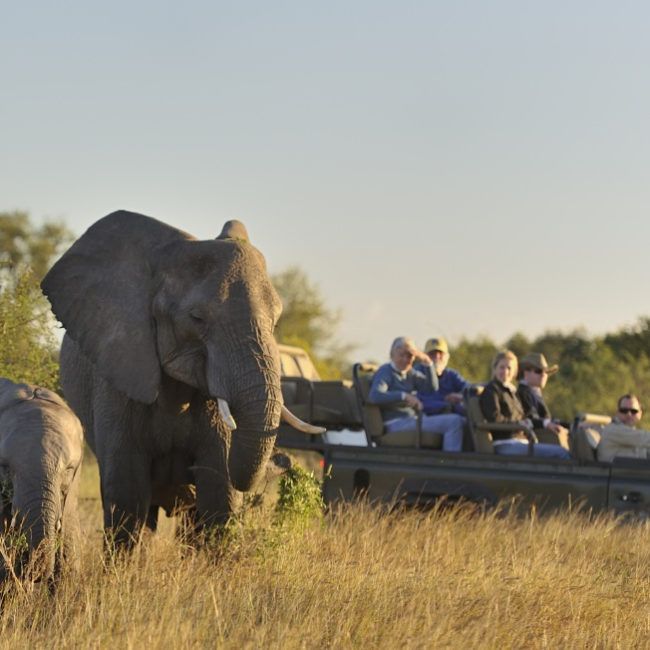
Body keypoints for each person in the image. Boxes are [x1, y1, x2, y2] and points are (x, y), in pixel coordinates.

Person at [368, 336, 463, 452]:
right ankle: (449, 467)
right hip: (396, 423)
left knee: (463, 421)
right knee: (454, 421)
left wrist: (428, 364)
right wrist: (403, 396)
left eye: (409, 356)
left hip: (413, 419)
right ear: (392, 354)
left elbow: (431, 388)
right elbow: (375, 396)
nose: (405, 360)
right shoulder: (386, 371)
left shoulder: (409, 373)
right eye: (401, 355)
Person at [479, 350, 571, 459]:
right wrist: (520, 424)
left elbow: (525, 418)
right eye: (501, 367)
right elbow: (495, 419)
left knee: (564, 450)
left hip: (521, 441)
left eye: (509, 368)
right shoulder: (492, 391)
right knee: (561, 453)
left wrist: (545, 424)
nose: (505, 371)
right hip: (505, 443)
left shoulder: (512, 392)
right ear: (495, 369)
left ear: (514, 372)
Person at [516, 352, 569, 450]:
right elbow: (533, 419)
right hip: (535, 440)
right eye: (539, 371)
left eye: (546, 372)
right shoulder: (524, 393)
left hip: (541, 439)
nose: (544, 375)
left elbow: (546, 419)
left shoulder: (534, 392)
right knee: (564, 454)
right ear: (525, 372)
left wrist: (572, 425)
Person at [416, 337, 470, 416]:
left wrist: (460, 397)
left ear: (447, 357)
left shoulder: (451, 374)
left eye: (441, 353)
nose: (437, 357)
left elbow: (469, 388)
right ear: (424, 357)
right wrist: (445, 400)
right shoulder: (417, 373)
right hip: (426, 418)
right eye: (432, 354)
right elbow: (418, 399)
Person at [597, 394, 650, 462]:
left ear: (640, 414)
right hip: (616, 471)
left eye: (633, 411)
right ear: (617, 412)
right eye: (624, 410)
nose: (629, 414)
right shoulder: (614, 429)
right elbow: (645, 438)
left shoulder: (629, 431)